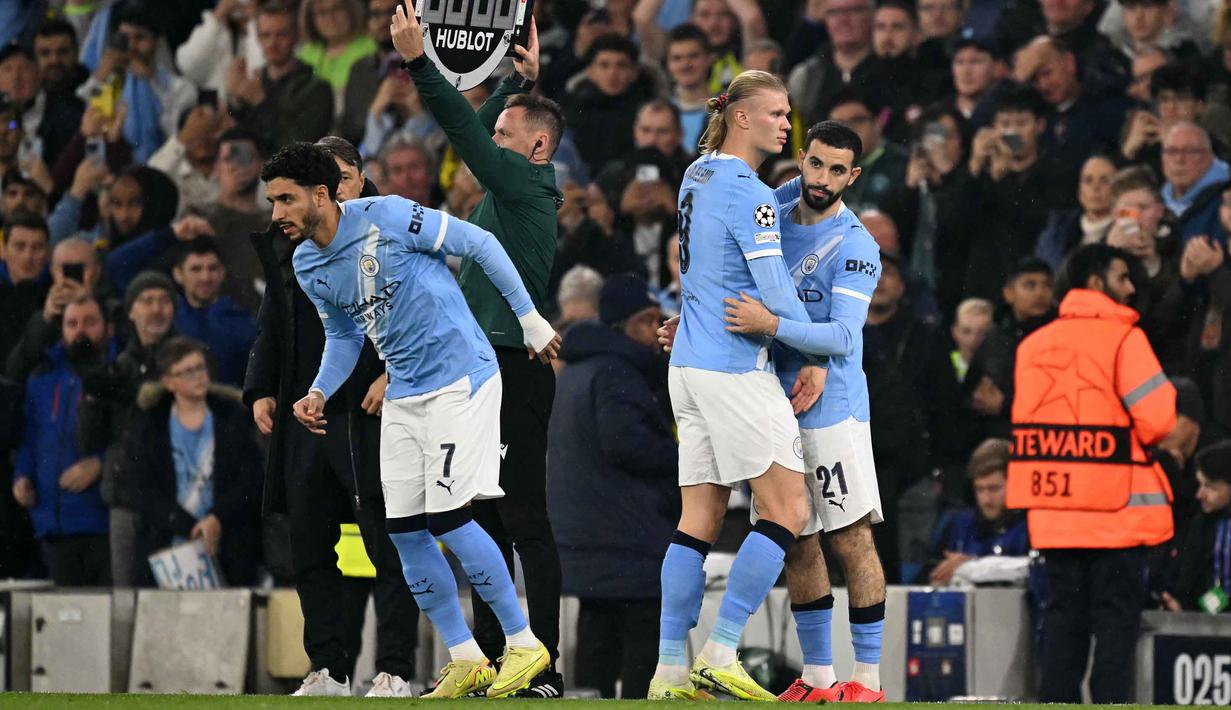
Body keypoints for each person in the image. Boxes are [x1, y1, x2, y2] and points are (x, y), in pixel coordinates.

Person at [260, 141, 561, 698]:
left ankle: (523, 644)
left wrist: (530, 320)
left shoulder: (390, 216)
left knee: (449, 518)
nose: (276, 213)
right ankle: (466, 656)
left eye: (285, 199)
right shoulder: (306, 263)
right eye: (272, 201)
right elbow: (345, 335)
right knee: (403, 531)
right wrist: (319, 390)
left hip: (461, 380)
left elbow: (481, 243)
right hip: (404, 393)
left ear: (321, 195)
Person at [394, 8, 569, 693]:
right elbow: (483, 128)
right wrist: (513, 82)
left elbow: (467, 135)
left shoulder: (525, 186)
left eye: (507, 135)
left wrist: (419, 64)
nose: (493, 136)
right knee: (480, 519)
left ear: (537, 148)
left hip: (514, 369)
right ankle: (496, 660)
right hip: (479, 369)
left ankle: (543, 661)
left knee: (525, 520)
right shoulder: (514, 182)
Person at [646, 69, 826, 702]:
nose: (786, 124)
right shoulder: (750, 194)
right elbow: (773, 291)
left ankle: (669, 670)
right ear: (742, 118)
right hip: (732, 367)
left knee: (698, 518)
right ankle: (721, 651)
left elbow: (699, 266)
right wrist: (814, 348)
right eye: (776, 113)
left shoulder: (697, 175)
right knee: (788, 509)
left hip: (688, 368)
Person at [246, 135, 420, 697]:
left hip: (369, 414)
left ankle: (395, 669)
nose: (333, 188)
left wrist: (395, 373)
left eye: (341, 177)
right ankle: (328, 670)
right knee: (309, 546)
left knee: (389, 546)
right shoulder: (290, 242)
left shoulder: (390, 230)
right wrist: (260, 389)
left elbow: (426, 305)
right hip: (307, 412)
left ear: (358, 179)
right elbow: (273, 320)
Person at [720, 121, 888, 703]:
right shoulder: (776, 212)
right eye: (815, 164)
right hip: (771, 401)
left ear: (853, 176)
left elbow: (842, 336)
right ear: (801, 159)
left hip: (831, 411)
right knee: (795, 540)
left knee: (850, 539)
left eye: (837, 170)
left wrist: (773, 326)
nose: (822, 179)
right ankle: (818, 678)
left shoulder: (857, 246)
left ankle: (867, 679)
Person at [1008, 242, 1176, 703]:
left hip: (1054, 516)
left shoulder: (1032, 345)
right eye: (1122, 277)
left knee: (1063, 627)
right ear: (1097, 282)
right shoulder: (1124, 339)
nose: (1131, 287)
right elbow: (1159, 420)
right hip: (1114, 517)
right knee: (1114, 631)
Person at [548, 274, 678, 699]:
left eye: (658, 319)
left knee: (596, 634)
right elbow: (626, 444)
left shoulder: (578, 368)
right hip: (626, 535)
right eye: (646, 320)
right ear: (622, 324)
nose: (655, 331)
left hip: (590, 531)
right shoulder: (616, 371)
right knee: (640, 645)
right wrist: (689, 459)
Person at [126, 337, 260, 587]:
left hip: (227, 543)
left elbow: (250, 479)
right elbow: (141, 488)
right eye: (187, 372)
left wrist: (216, 518)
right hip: (167, 547)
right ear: (169, 382)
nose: (198, 377)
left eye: (200, 368)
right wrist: (187, 526)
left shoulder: (233, 418)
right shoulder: (149, 426)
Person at [12, 296, 114, 586]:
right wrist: (22, 475)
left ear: (108, 328)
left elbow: (135, 438)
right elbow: (31, 436)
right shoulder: (41, 376)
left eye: (89, 322)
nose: (80, 330)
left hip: (103, 525)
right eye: (72, 323)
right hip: (53, 527)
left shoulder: (119, 372)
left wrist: (101, 464)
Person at [225, 1, 333, 151]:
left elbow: (299, 147)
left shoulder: (316, 88)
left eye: (282, 34)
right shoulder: (255, 82)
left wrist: (260, 102)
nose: (272, 43)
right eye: (265, 35)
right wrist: (235, 99)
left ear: (297, 36)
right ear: (258, 38)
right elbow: (234, 134)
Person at [929, 438, 1030, 586]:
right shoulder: (960, 525)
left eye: (994, 489)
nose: (986, 500)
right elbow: (930, 577)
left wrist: (969, 567)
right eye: (979, 489)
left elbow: (1035, 571)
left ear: (1016, 483)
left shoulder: (1032, 528)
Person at [170, 238, 257, 387]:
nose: (205, 277)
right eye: (196, 269)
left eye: (212, 268)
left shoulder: (245, 322)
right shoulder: (167, 319)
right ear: (178, 274)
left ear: (223, 272)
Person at [1163, 440, 1231, 613]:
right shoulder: (1202, 524)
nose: (1199, 494)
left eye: (1210, 487)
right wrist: (1182, 606)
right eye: (1200, 484)